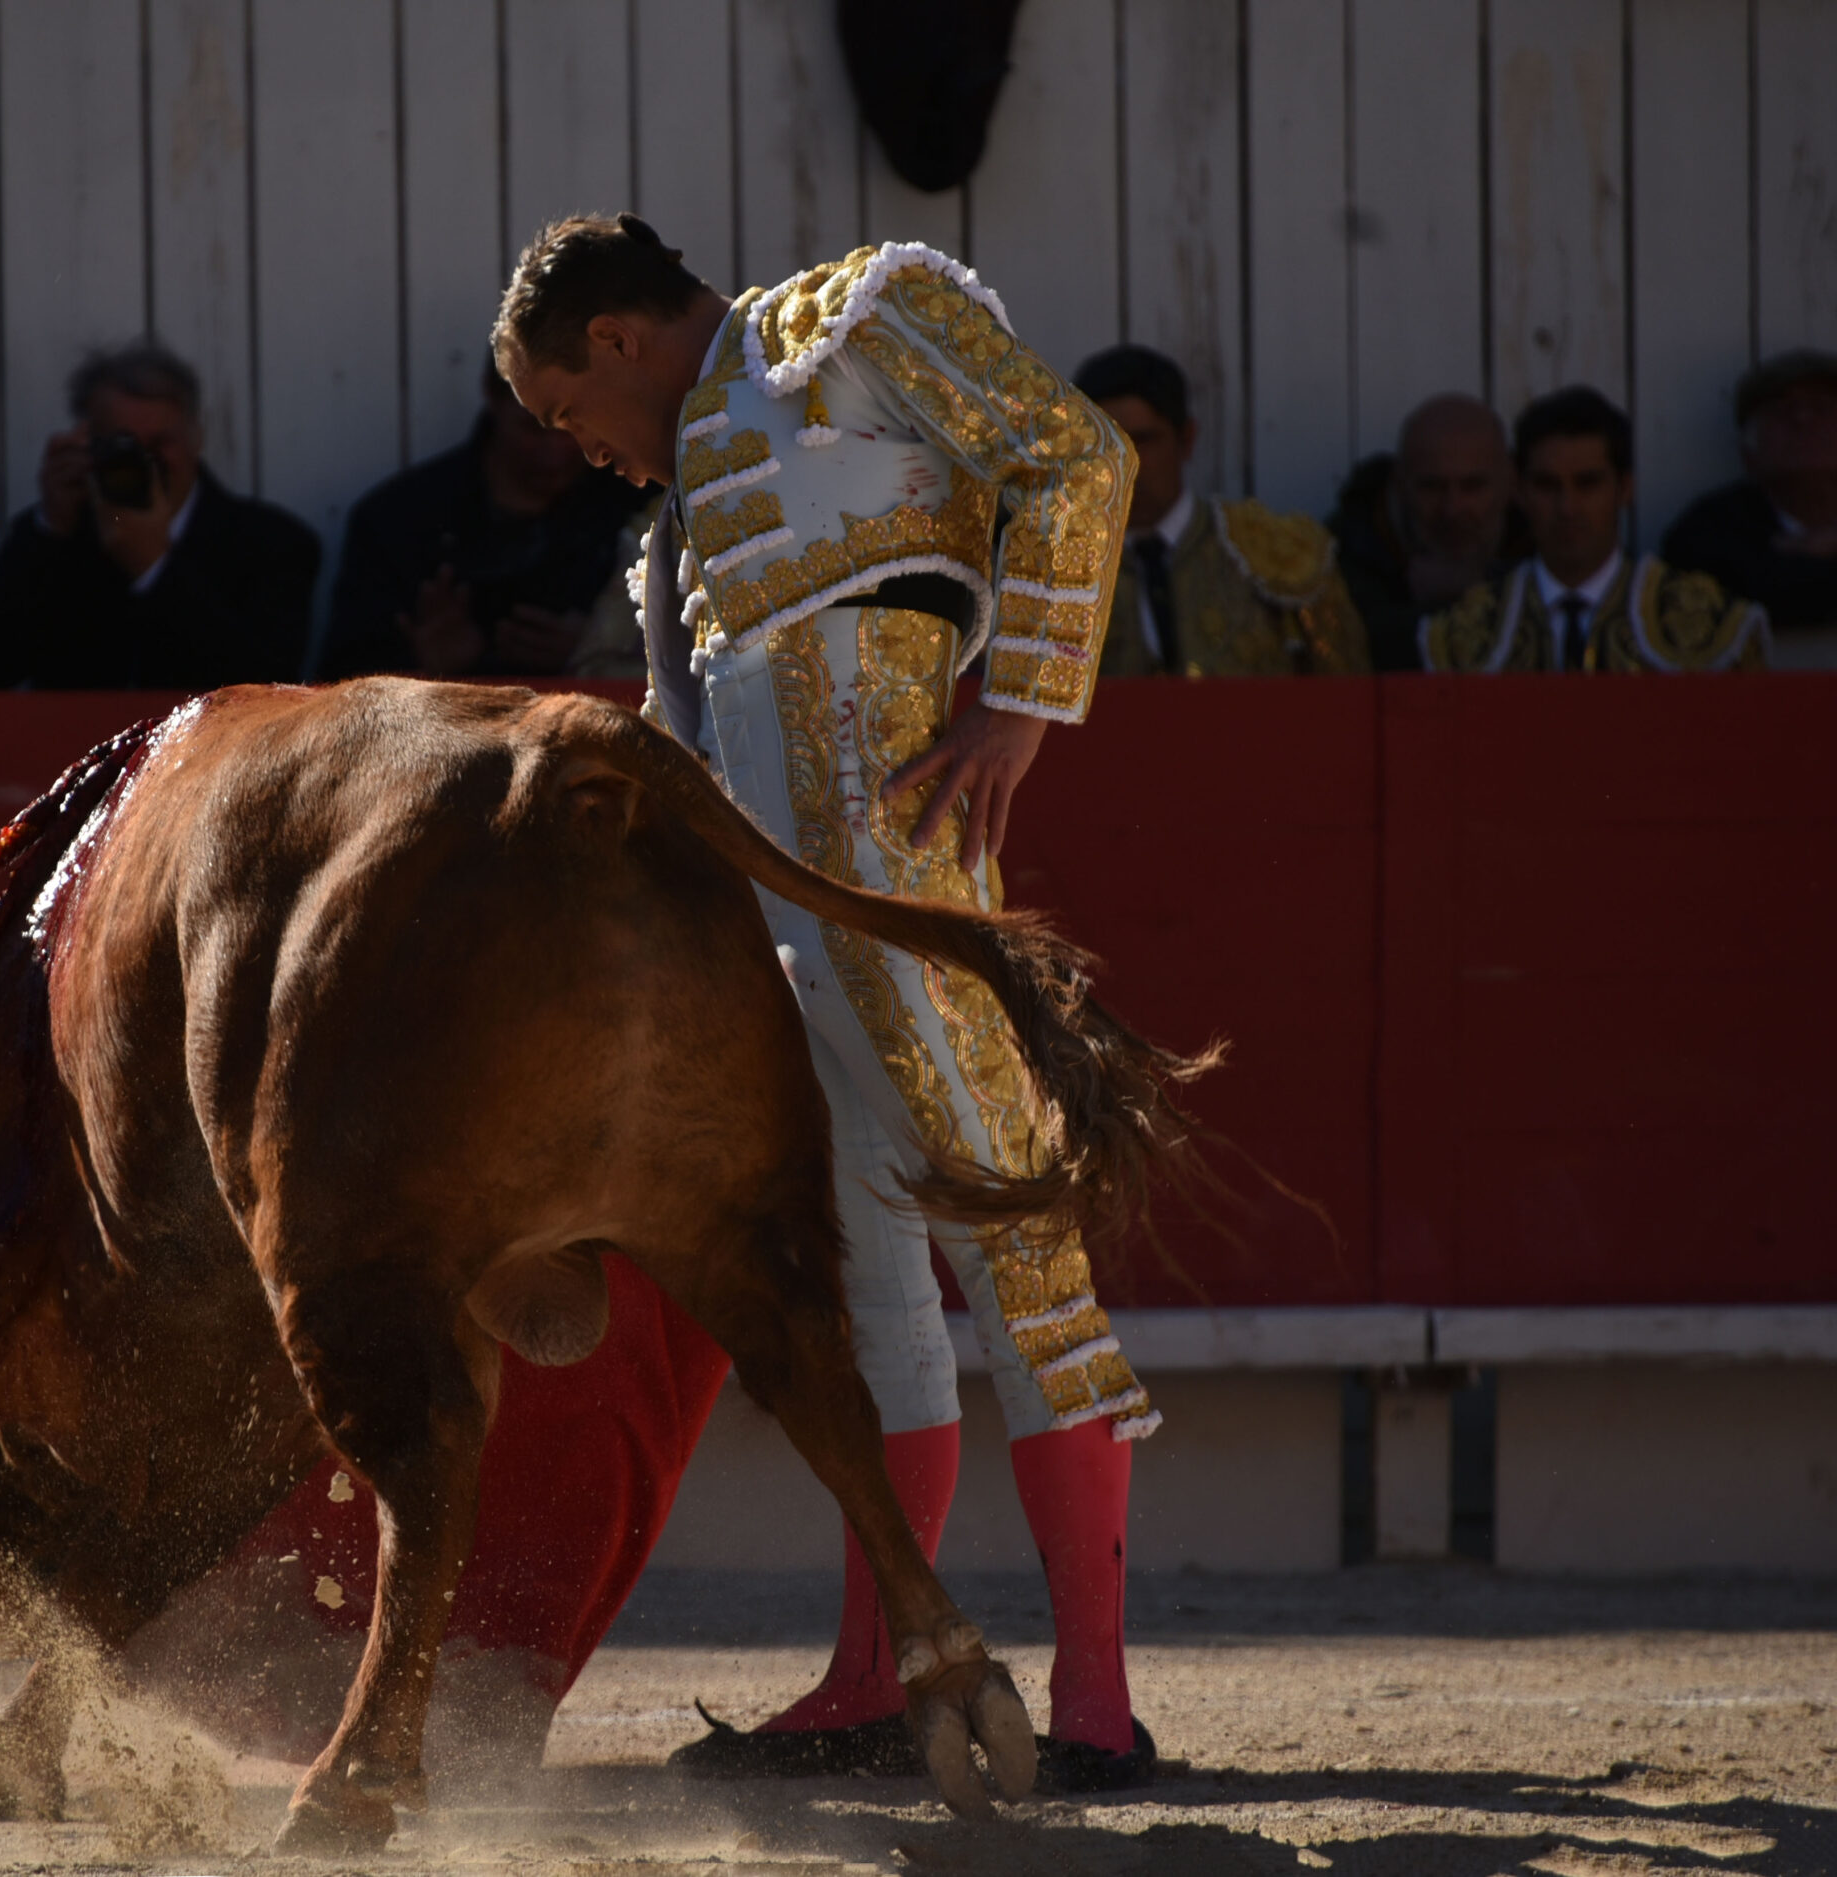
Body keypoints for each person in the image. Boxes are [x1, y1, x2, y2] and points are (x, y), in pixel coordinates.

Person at [499, 215, 1163, 1792]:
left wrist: (1020, 701)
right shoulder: (672, 541)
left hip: (913, 916)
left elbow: (1076, 456)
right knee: (867, 1318)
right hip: (780, 960)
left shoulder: (855, 324)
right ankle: (880, 1674)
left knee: (1022, 1269)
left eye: (561, 410)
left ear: (613, 342)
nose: (576, 448)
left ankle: (1098, 1706)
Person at [0, 343, 319, 690]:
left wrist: (155, 569)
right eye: (122, 446)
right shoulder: (61, 534)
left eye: (158, 444)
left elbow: (268, 690)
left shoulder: (273, 543)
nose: (143, 463)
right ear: (88, 444)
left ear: (195, 436)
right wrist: (50, 530)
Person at [319, 367, 649, 679]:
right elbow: (342, 681)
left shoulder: (641, 506)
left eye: (574, 428)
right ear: (493, 397)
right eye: (533, 428)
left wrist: (599, 647)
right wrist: (420, 668)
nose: (554, 452)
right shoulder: (397, 522)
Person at [1422, 386, 1768, 673]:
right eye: (1546, 485)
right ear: (1519, 492)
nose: (1567, 507)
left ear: (1625, 489)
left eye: (1588, 484)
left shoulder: (1710, 624)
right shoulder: (1463, 632)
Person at [1074, 344, 1367, 679]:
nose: (1122, 466)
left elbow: (1346, 700)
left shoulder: (1279, 553)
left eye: (1144, 440)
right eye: (1103, 445)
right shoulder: (1048, 567)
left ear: (1186, 439)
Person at [1330, 395, 1527, 671]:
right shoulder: (1338, 560)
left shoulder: (1546, 537)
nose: (1452, 509)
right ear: (1399, 485)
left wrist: (1477, 589)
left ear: (1511, 481)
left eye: (1472, 486)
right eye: (1432, 486)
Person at [1661, 350, 1837, 647]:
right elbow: (1766, 599)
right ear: (1748, 453)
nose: (1802, 419)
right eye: (1782, 410)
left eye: (1821, 407)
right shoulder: (1709, 530)